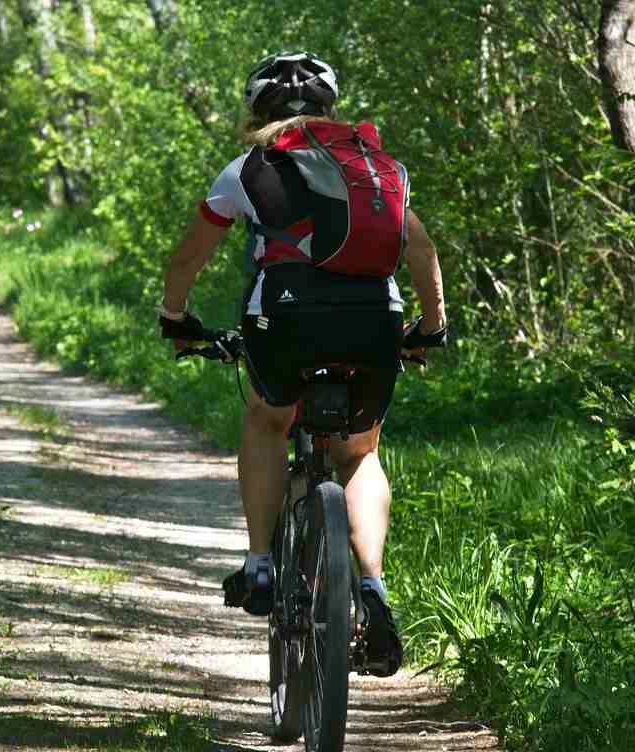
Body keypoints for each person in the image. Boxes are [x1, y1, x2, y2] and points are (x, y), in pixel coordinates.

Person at [157, 52, 447, 677]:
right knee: (360, 454)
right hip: (374, 320)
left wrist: (175, 318)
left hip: (283, 320)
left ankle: (261, 562)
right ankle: (372, 588)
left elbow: (186, 261)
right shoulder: (376, 166)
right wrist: (431, 328)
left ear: (256, 111)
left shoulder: (248, 169)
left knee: (267, 419)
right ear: (329, 108)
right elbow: (420, 250)